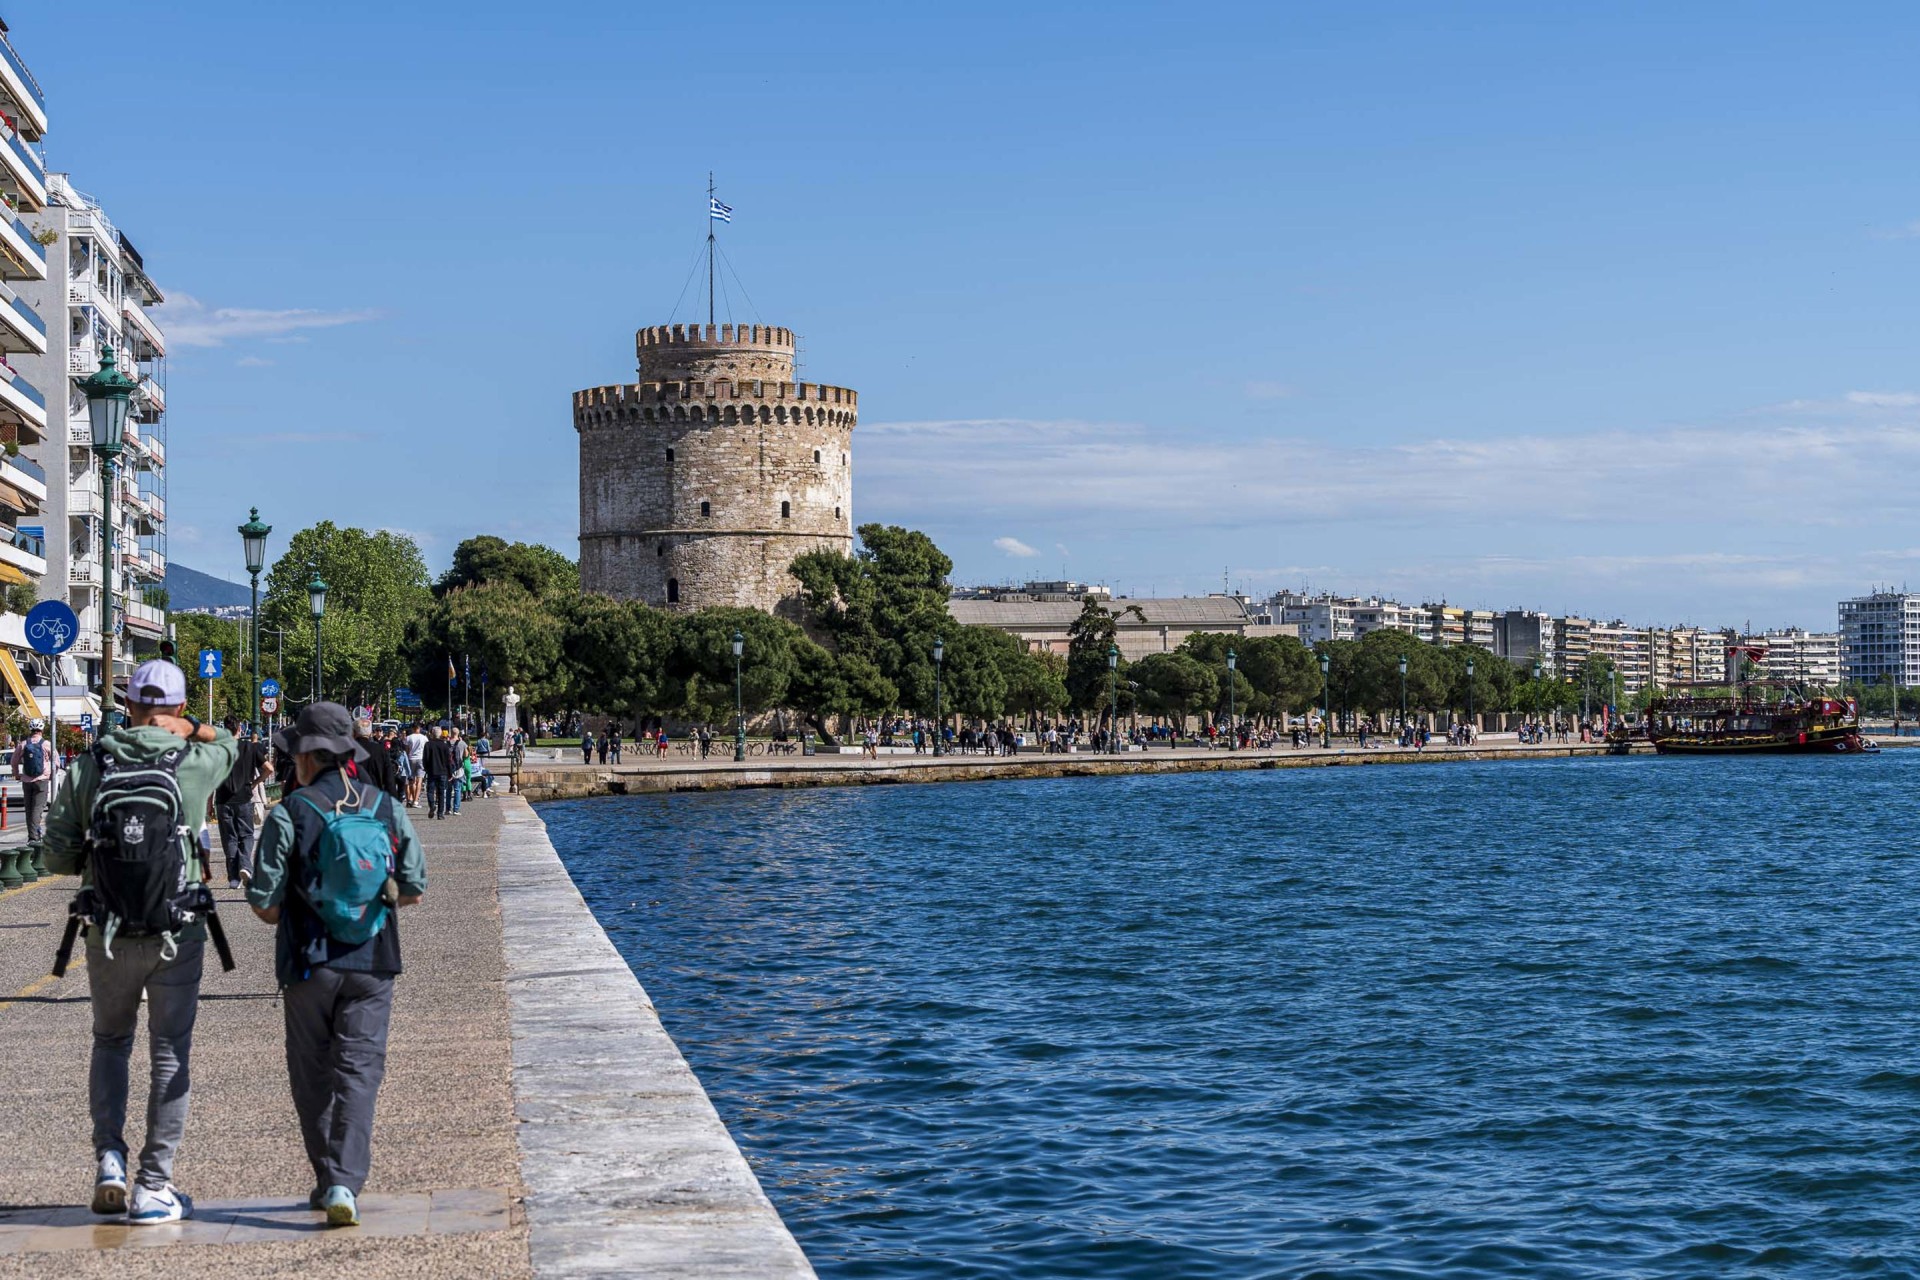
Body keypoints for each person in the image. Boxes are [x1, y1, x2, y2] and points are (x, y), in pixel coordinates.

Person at [44, 660, 238, 1225]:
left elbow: (55, 853)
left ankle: (109, 1162)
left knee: (110, 1041)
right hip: (179, 928)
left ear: (126, 705)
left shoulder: (91, 763)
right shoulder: (196, 759)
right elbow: (231, 741)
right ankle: (154, 1186)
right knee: (169, 1051)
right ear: (178, 709)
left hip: (106, 929)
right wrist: (197, 730)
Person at [247, 703, 427, 1228]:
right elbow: (414, 888)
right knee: (359, 1072)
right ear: (347, 752)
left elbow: (264, 905)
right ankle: (346, 1183)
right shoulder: (385, 806)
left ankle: (330, 1180)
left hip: (308, 962)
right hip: (374, 960)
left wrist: (307, 902)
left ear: (306, 757)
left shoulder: (290, 812)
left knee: (312, 1076)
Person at [215, 717, 269, 888]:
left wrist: (209, 803)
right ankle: (245, 866)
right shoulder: (250, 748)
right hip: (244, 797)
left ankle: (233, 878)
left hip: (223, 799)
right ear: (240, 729)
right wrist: (255, 782)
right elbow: (269, 769)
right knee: (246, 835)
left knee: (229, 838)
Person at [11, 716, 53, 844]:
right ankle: (34, 837)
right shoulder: (47, 744)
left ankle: (32, 835)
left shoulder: (23, 744)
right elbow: (56, 762)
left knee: (29, 809)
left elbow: (14, 761)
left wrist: (17, 774)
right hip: (41, 780)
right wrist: (50, 774)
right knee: (38, 808)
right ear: (42, 729)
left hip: (26, 780)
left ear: (30, 729)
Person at [423, 726, 456, 820]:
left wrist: (426, 769)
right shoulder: (445, 746)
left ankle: (432, 805)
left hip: (432, 771)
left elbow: (425, 759)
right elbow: (448, 761)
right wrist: (450, 773)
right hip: (443, 772)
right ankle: (440, 813)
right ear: (441, 734)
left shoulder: (428, 745)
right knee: (441, 793)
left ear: (432, 734)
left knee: (430, 790)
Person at [401, 722, 427, 808]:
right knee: (419, 780)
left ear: (412, 729)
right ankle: (416, 800)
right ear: (419, 728)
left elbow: (407, 750)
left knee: (411, 780)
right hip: (421, 758)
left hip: (411, 759)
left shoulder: (408, 738)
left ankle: (411, 799)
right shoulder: (424, 738)